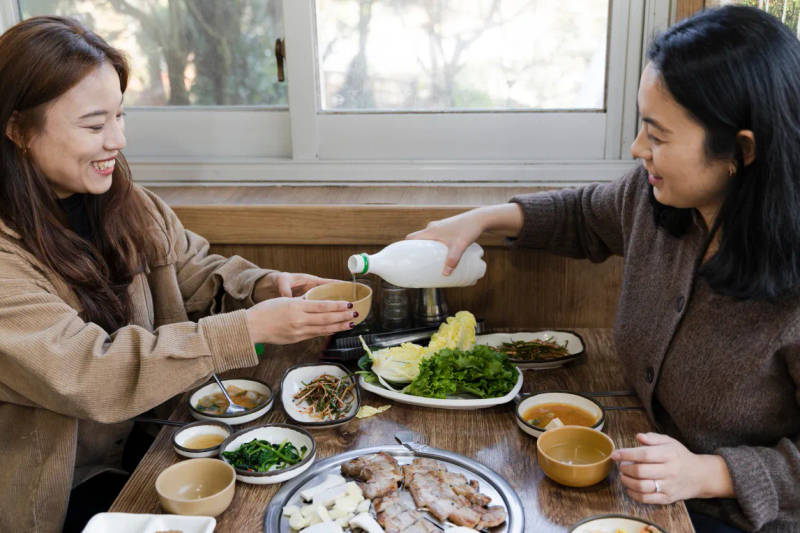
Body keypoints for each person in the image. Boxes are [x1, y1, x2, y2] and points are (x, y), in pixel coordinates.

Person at [408, 6, 800, 533]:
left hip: (743, 519)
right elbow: (582, 215)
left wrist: (713, 474)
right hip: (637, 481)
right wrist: (482, 218)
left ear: (742, 149)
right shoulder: (654, 198)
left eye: (657, 137)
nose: (638, 149)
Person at [0, 16, 358, 533]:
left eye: (121, 118)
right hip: (59, 495)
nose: (117, 140)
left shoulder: (124, 202)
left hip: (163, 440)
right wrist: (252, 328)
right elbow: (88, 375)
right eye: (95, 126)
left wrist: (263, 286)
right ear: (16, 128)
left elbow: (196, 272)